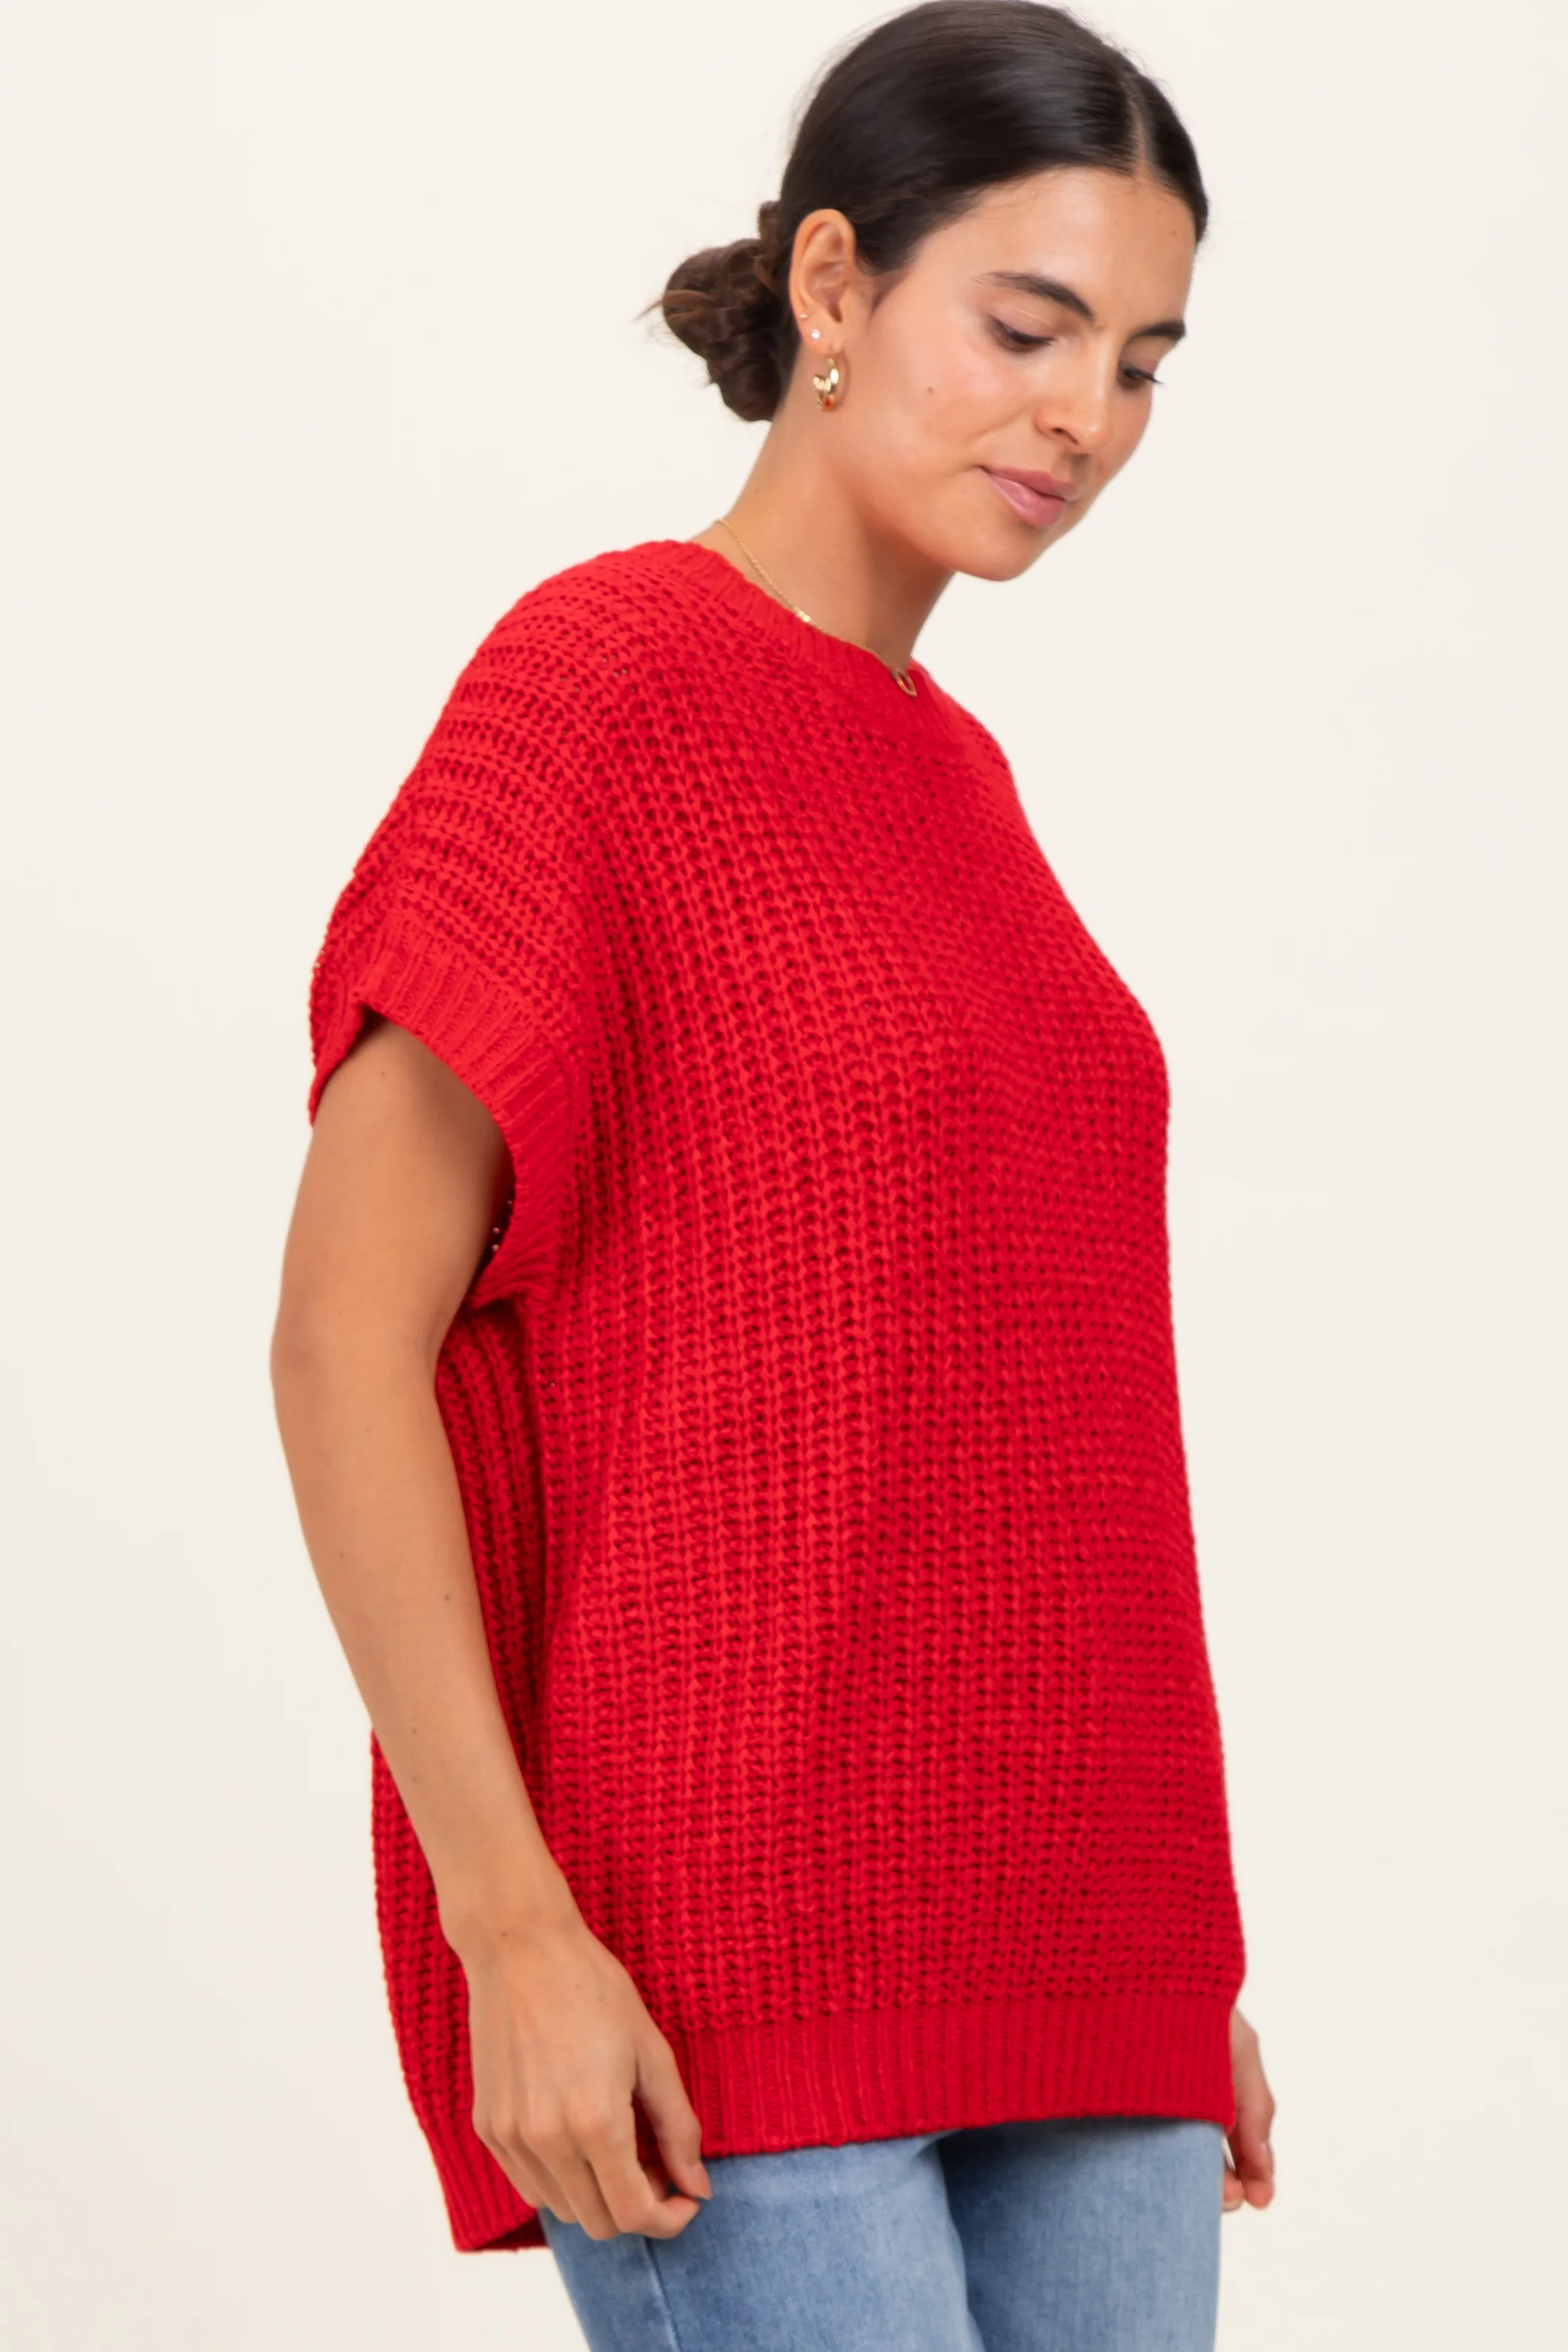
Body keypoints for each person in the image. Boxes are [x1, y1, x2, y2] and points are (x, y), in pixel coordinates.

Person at [270, 2, 1277, 2344]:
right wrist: (512, 1928)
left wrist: (1165, 1953)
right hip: (727, 1975)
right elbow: (343, 1345)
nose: (1085, 415)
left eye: (1141, 363)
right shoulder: (600, 688)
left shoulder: (966, 786)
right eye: (1027, 327)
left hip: (1091, 1964)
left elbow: (1021, 1409)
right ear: (834, 281)